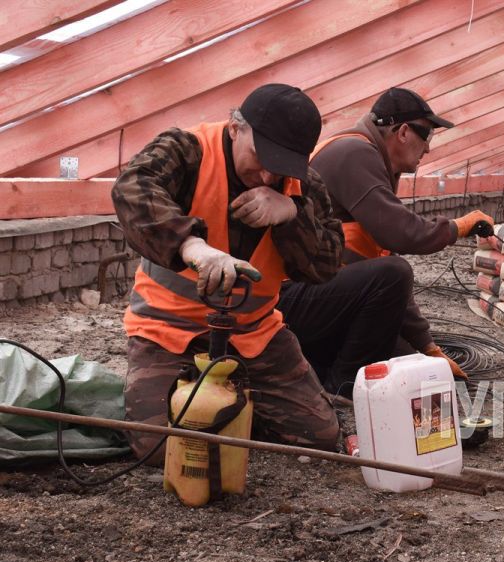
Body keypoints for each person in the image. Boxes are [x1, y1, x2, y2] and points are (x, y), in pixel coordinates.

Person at [113, 83, 410, 463]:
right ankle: (220, 407)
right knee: (158, 449)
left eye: (282, 165)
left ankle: (235, 403)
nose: (269, 175)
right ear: (237, 127)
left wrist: (291, 216)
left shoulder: (302, 185)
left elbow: (325, 266)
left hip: (253, 333)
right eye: (261, 157)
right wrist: (192, 247)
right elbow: (131, 189)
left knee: (318, 437)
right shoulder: (187, 149)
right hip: (168, 332)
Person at [299, 87, 494, 378]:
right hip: (293, 299)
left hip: (315, 296)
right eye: (426, 135)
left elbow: (380, 258)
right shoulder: (354, 153)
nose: (427, 148)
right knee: (395, 274)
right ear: (402, 132)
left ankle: (328, 364)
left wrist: (427, 346)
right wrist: (458, 227)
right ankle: (343, 383)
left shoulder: (370, 160)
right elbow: (402, 234)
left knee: (403, 355)